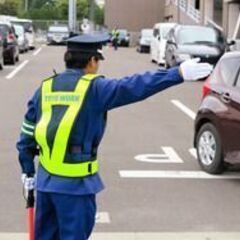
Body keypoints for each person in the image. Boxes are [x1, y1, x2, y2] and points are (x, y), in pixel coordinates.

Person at [17, 33, 213, 240]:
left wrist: (27, 170)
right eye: (98, 61)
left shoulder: (44, 88)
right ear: (92, 61)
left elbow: (27, 134)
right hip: (77, 189)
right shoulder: (94, 88)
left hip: (45, 186)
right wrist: (178, 73)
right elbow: (135, 86)